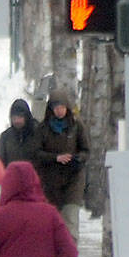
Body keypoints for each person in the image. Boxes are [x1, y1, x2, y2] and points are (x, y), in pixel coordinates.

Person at [35, 90, 89, 239]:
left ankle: (71, 253)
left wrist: (77, 158)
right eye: (56, 108)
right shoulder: (43, 129)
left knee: (71, 219)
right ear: (51, 109)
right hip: (51, 183)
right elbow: (37, 153)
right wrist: (55, 158)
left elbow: (86, 150)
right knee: (52, 222)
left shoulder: (76, 126)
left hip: (73, 180)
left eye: (62, 107)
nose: (60, 111)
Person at [0, 98, 39, 166]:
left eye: (20, 117)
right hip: (12, 175)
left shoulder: (38, 133)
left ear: (26, 117)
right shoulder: (5, 137)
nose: (17, 121)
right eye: (14, 118)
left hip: (34, 175)